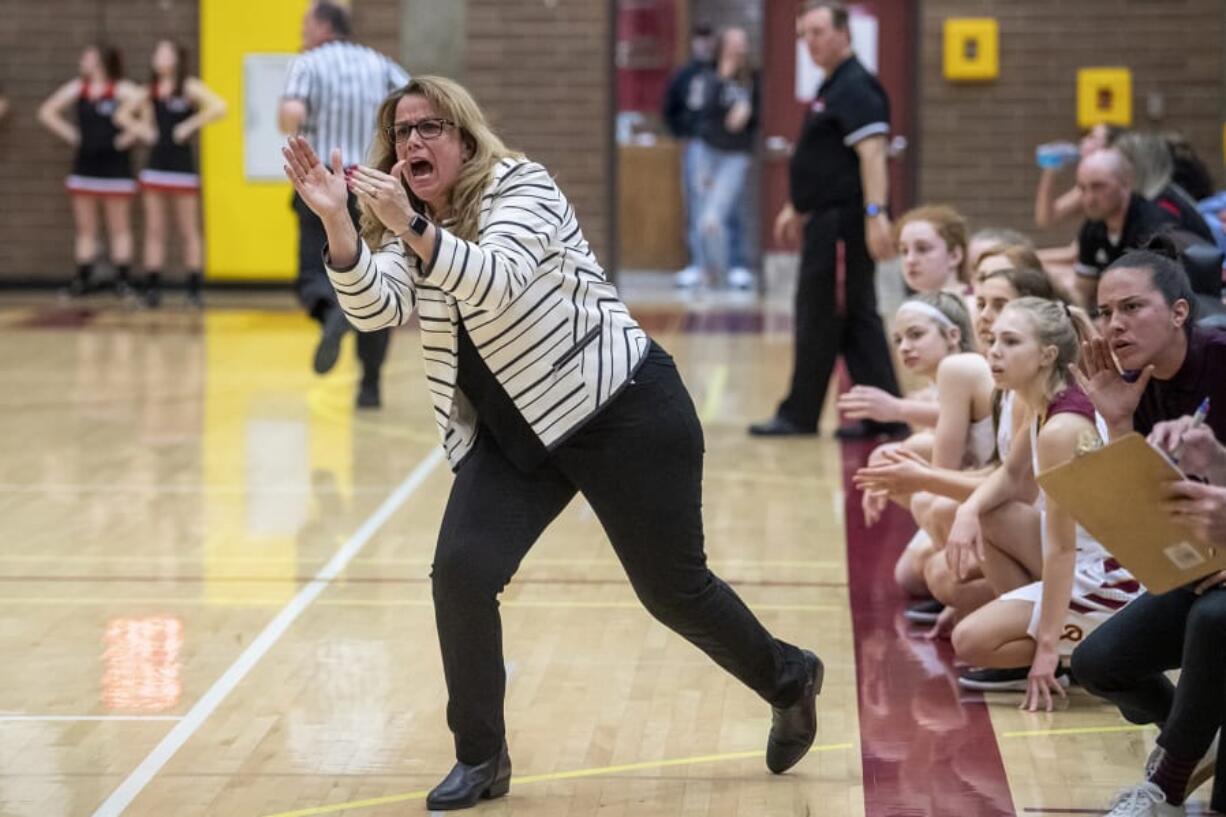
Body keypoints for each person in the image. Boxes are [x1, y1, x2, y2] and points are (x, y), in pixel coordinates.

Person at [281, 75, 824, 811]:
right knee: (461, 572)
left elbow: (497, 278)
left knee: (672, 590)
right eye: (402, 130)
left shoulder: (519, 187)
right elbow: (378, 306)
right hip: (517, 433)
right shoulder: (418, 220)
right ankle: (481, 757)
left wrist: (410, 223)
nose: (413, 141)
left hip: (622, 410)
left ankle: (789, 676)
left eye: (430, 126)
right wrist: (340, 225)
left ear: (465, 137)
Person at [1062, 248, 1226, 816]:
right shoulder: (1133, 384)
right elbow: (1143, 517)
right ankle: (1195, 730)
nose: (1115, 325)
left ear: (1180, 312)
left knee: (1214, 619)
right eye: (1106, 312)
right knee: (1097, 663)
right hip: (1206, 563)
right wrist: (1118, 422)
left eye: (1132, 307)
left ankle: (1167, 783)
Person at [945, 297, 1142, 705]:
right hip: (1088, 556)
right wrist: (967, 510)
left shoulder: (1062, 429)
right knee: (989, 514)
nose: (993, 351)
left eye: (1011, 342)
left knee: (969, 641)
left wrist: (1048, 646)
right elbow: (1010, 475)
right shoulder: (1044, 406)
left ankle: (1081, 659)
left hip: (1112, 576)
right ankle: (1058, 635)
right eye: (994, 339)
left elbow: (1062, 548)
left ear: (1047, 355)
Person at [749, 0, 902, 440]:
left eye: (817, 32)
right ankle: (883, 416)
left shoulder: (857, 87)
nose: (809, 43)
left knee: (826, 315)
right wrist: (797, 206)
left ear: (843, 33)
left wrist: (876, 215)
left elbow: (872, 155)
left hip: (844, 226)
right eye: (804, 35)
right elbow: (827, 160)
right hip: (825, 220)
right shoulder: (832, 87)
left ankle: (800, 415)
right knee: (851, 316)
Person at [278, 1, 409, 408]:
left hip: (323, 184)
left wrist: (290, 121)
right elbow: (413, 105)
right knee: (376, 281)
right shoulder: (381, 64)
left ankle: (336, 313)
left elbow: (291, 115)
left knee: (312, 274)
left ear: (321, 26)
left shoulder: (309, 63)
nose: (303, 32)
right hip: (372, 185)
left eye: (305, 24)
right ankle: (369, 387)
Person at [117, 40, 227, 308]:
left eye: (167, 53)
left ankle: (194, 290)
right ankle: (152, 289)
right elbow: (121, 115)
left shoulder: (188, 87)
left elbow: (220, 107)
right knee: (155, 230)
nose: (161, 57)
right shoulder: (149, 90)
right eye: (158, 52)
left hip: (182, 167)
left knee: (189, 230)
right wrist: (145, 132)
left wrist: (190, 124)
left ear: (177, 58)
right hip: (156, 166)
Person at [38, 45, 144, 297]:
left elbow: (148, 111)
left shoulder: (122, 89)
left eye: (87, 57)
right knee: (86, 227)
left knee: (119, 226)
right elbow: (46, 111)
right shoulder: (78, 88)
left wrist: (128, 137)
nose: (82, 60)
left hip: (116, 166)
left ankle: (122, 281)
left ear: (102, 61)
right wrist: (73, 136)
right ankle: (83, 278)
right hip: (85, 166)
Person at [693, 26, 759, 291]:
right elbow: (702, 111)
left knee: (714, 217)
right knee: (700, 218)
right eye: (734, 42)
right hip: (706, 151)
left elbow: (759, 116)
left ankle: (723, 270)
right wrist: (723, 76)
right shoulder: (709, 75)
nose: (739, 48)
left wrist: (747, 115)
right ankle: (705, 269)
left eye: (743, 42)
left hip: (734, 155)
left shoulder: (752, 78)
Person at [1073, 148, 1177, 311]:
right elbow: (1083, 291)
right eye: (1082, 188)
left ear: (1126, 182)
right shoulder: (1092, 226)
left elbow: (1156, 302)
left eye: (1098, 187)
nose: (1089, 199)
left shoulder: (1153, 227)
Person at [662, 23, 716, 289]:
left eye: (709, 39)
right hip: (694, 144)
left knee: (723, 207)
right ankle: (698, 264)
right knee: (696, 206)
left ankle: (730, 266)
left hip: (720, 147)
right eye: (700, 39)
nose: (705, 45)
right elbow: (669, 109)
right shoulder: (685, 75)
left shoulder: (719, 72)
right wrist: (681, 132)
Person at [1114, 131, 1214, 244]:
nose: (1114, 171)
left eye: (1119, 164)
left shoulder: (1162, 207)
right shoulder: (1158, 196)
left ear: (1138, 165)